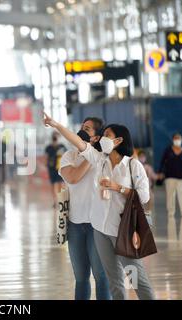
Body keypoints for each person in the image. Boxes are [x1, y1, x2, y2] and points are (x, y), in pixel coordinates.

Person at [44, 112, 155, 300]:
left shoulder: (133, 166)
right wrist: (56, 125)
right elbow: (78, 146)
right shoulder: (100, 160)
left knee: (135, 278)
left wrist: (118, 187)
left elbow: (144, 196)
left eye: (107, 136)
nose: (103, 139)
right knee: (114, 280)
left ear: (119, 140)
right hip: (100, 230)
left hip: (122, 231)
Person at [59, 117, 111, 300]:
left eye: (87, 129)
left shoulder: (104, 158)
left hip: (98, 226)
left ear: (96, 137)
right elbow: (73, 178)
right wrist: (90, 155)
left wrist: (94, 153)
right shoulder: (69, 156)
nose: (81, 131)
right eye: (81, 127)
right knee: (81, 278)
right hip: (75, 226)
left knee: (102, 277)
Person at [159, 133, 182, 217]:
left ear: (181, 140)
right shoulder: (168, 150)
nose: (177, 140)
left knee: (181, 194)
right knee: (170, 195)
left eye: (179, 138)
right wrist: (161, 172)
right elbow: (162, 162)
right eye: (175, 138)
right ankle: (171, 212)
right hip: (170, 176)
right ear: (173, 140)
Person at [45, 132, 67, 208]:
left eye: (57, 137)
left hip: (60, 168)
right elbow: (47, 158)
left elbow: (65, 157)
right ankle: (55, 201)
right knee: (53, 185)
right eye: (54, 137)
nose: (55, 138)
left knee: (61, 185)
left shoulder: (62, 147)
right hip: (52, 169)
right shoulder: (49, 147)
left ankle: (61, 201)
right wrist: (46, 165)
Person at [137, 150, 163, 215]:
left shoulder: (148, 167)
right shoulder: (136, 166)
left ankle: (149, 211)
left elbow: (153, 176)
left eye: (143, 156)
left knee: (151, 197)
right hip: (138, 187)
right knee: (139, 201)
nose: (142, 158)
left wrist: (159, 176)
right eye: (140, 156)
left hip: (147, 187)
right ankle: (140, 212)